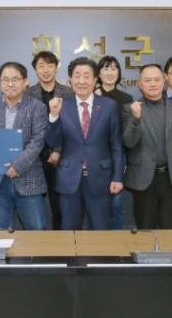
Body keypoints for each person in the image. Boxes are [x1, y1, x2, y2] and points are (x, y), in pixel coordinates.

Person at [46, 57, 123, 230]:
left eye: (87, 76)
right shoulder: (61, 106)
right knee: (69, 231)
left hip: (100, 178)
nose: (82, 81)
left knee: (101, 230)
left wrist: (117, 177)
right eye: (77, 76)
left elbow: (116, 145)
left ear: (95, 80)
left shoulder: (109, 106)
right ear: (70, 80)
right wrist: (53, 116)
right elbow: (52, 142)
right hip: (69, 179)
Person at [0, 62, 48, 230]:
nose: (10, 84)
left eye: (15, 79)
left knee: (37, 231)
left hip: (28, 178)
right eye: (5, 80)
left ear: (25, 81)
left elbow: (38, 141)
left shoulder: (37, 107)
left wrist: (17, 166)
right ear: (0, 82)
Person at [122, 64, 172, 229]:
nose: (153, 84)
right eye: (148, 80)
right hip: (143, 179)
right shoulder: (130, 108)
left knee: (171, 230)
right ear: (140, 84)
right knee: (145, 230)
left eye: (157, 79)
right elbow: (128, 142)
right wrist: (136, 119)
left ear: (164, 81)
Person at [25, 51, 73, 229]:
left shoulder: (68, 93)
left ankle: (61, 239)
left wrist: (58, 150)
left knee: (59, 205)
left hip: (60, 158)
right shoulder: (28, 94)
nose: (46, 70)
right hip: (34, 158)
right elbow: (26, 126)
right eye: (41, 66)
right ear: (35, 70)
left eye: (50, 66)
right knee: (34, 207)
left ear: (56, 68)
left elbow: (70, 126)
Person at [96, 55, 134, 229]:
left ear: (118, 73)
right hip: (95, 156)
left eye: (113, 68)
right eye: (105, 68)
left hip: (119, 156)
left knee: (117, 204)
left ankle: (116, 241)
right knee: (96, 203)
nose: (110, 72)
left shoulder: (126, 98)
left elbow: (128, 130)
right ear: (98, 73)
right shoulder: (91, 96)